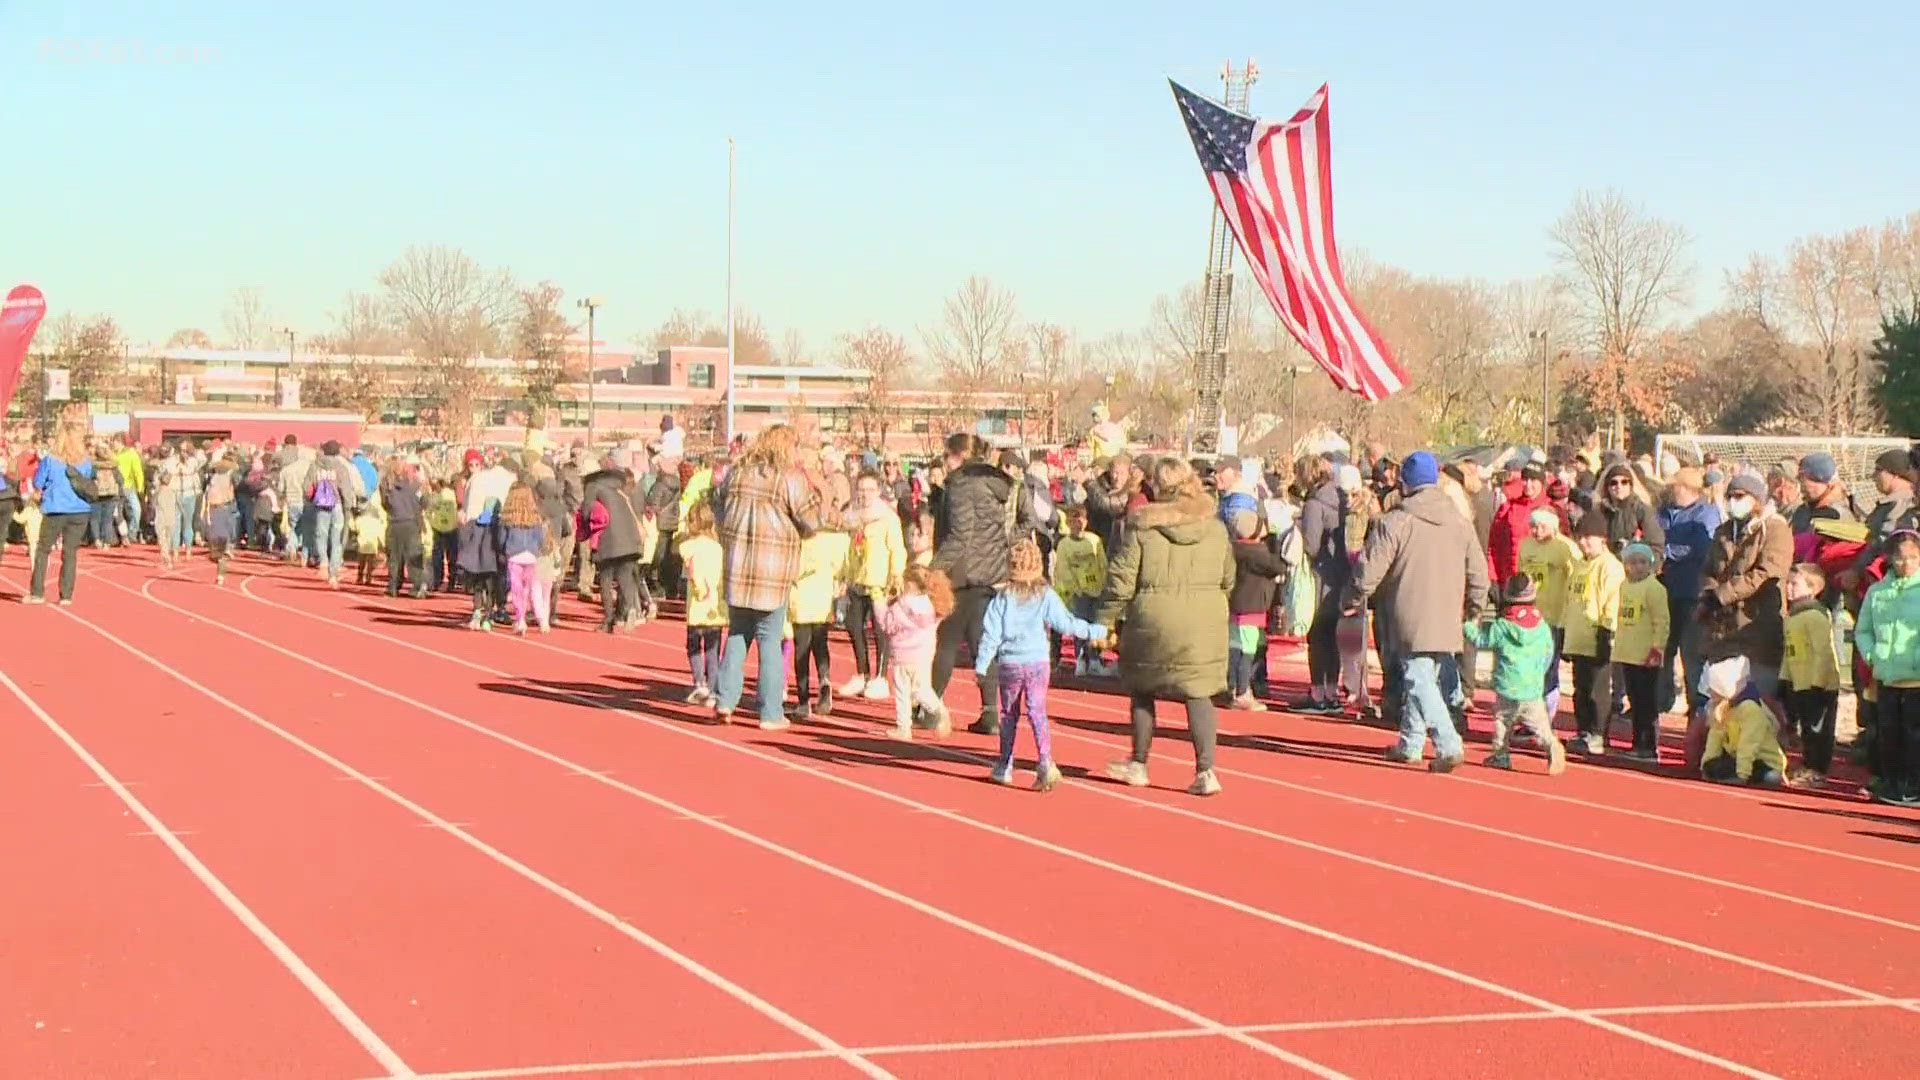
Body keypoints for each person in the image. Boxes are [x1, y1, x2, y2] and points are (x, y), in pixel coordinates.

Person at [1095, 457, 1236, 796]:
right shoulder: (1215, 529)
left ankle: (1139, 763)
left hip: (1153, 620)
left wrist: (1104, 619)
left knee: (1143, 689)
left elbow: (1121, 581)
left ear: (1157, 487)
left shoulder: (1142, 528)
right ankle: (1206, 770)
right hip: (1204, 622)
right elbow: (1228, 577)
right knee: (1198, 693)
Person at [1350, 450, 1490, 773]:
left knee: (1418, 678)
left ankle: (1448, 742)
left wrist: (1354, 596)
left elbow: (1369, 569)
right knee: (1425, 677)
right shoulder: (1460, 521)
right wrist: (1475, 608)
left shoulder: (1396, 521)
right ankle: (1410, 741)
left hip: (1409, 613)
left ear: (1405, 483)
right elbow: (1479, 572)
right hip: (1447, 614)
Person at [711, 424, 822, 729]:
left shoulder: (737, 472)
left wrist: (727, 531)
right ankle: (770, 712)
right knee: (769, 640)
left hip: (738, 565)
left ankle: (725, 700)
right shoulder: (789, 477)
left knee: (737, 634)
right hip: (772, 571)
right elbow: (812, 520)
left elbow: (715, 501)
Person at [974, 539, 1105, 791]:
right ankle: (1045, 761)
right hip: (1037, 662)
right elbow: (1067, 624)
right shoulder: (1045, 595)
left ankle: (1004, 765)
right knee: (1037, 710)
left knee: (1009, 715)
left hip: (1010, 663)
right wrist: (1095, 631)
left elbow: (990, 634)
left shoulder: (1002, 598)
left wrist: (981, 666)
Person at [930, 433, 1031, 735]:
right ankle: (990, 712)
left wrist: (933, 570)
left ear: (959, 455)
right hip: (991, 571)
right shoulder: (994, 484)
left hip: (964, 574)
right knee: (982, 645)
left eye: (947, 455)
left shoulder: (963, 484)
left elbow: (959, 535)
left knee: (947, 642)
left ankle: (930, 707)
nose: (944, 462)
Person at [1462, 575, 1567, 774]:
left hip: (1508, 684)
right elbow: (1548, 653)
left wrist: (1469, 626)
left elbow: (1482, 641)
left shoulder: (1503, 625)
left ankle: (1501, 755)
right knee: (1539, 724)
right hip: (1532, 686)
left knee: (1503, 721)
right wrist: (1539, 674)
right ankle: (1551, 744)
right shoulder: (1542, 626)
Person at [1854, 529, 1920, 805]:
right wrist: (1873, 656)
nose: (1907, 564)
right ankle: (1892, 784)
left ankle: (1914, 785)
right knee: (1888, 734)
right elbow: (1863, 630)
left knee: (1914, 736)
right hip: (1887, 677)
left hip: (1916, 679)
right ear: (1890, 559)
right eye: (1901, 558)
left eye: (1913, 558)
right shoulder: (1877, 592)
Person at [840, 470, 907, 700]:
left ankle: (880, 678)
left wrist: (896, 575)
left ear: (878, 491)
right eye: (861, 490)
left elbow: (897, 548)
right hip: (857, 580)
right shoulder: (852, 516)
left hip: (880, 581)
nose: (865, 495)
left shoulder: (887, 518)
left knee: (880, 630)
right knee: (853, 625)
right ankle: (862, 673)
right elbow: (848, 549)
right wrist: (844, 575)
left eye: (869, 490)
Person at [1563, 518, 1625, 756]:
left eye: (1589, 537)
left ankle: (1598, 733)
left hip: (1597, 635)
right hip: (1578, 636)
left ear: (1602, 539)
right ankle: (1583, 729)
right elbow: (1572, 600)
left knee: (1597, 690)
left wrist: (1606, 631)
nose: (1583, 542)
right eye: (1580, 537)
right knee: (1580, 688)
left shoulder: (1609, 566)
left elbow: (1612, 599)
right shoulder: (1580, 565)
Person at [1294, 453, 1350, 714]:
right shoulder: (1340, 498)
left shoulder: (1315, 504)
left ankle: (1318, 692)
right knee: (1331, 636)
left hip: (1320, 576)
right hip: (1341, 573)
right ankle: (1331, 690)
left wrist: (1298, 529)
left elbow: (1312, 545)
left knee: (1317, 635)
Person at [875, 564, 954, 741]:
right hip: (924, 655)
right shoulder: (933, 606)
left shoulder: (900, 607)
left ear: (909, 584)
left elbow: (888, 626)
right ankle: (939, 710)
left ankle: (904, 727)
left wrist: (879, 604)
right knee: (922, 690)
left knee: (902, 691)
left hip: (903, 655)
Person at [1779, 562, 1841, 786]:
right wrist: (1784, 678)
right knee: (1806, 729)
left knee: (1818, 730)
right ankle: (1807, 764)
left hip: (1819, 686)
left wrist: (1817, 683)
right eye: (1787, 583)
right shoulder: (1792, 617)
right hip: (1799, 683)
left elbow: (1822, 652)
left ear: (1813, 588)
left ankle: (1817, 769)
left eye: (1795, 584)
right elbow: (1790, 652)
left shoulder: (1815, 616)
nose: (1789, 588)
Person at [24, 428, 95, 605]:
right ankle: (66, 595)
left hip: (55, 508)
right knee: (70, 553)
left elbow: (38, 482)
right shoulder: (85, 461)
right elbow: (88, 481)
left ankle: (37, 592)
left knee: (43, 549)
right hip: (79, 510)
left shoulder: (50, 460)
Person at [787, 522, 850, 720]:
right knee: (820, 644)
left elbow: (795, 569)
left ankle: (803, 701)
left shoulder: (799, 542)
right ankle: (824, 677)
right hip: (822, 600)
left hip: (802, 601)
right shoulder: (828, 539)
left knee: (801, 651)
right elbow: (840, 565)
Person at [1613, 543, 1670, 761]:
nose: (1638, 567)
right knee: (1635, 700)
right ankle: (1637, 743)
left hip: (1646, 655)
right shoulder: (1624, 586)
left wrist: (1657, 647)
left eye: (1643, 562)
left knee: (1647, 701)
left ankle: (1649, 745)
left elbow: (1661, 621)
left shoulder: (1654, 589)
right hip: (1628, 652)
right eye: (1633, 563)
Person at [1226, 510, 1286, 711]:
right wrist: (1275, 543)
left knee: (1235, 648)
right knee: (1248, 651)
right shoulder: (1257, 553)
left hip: (1235, 606)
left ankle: (1233, 686)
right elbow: (1277, 566)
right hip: (1252, 607)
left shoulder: (1234, 549)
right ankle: (1243, 691)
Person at [1699, 656, 1787, 786]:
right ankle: (1740, 772)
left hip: (1763, 761)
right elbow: (1714, 739)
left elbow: (1749, 744)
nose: (1710, 693)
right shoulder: (1721, 709)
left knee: (1769, 776)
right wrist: (1705, 767)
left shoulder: (1750, 709)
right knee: (1713, 766)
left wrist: (1742, 774)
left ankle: (1761, 775)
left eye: (1713, 690)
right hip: (1738, 758)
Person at [678, 498, 727, 705]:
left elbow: (693, 570)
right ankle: (714, 688)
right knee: (713, 650)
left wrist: (699, 589)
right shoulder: (718, 548)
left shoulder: (687, 547)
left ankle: (700, 682)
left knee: (694, 646)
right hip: (715, 606)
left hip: (698, 604)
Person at [1050, 504, 1109, 674]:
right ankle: (1081, 658)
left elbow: (1102, 564)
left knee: (1096, 625)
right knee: (1081, 625)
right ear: (1068, 522)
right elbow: (1064, 570)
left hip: (1096, 591)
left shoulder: (1094, 540)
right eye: (1073, 520)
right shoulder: (1064, 545)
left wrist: (1103, 584)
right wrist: (1076, 589)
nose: (1077, 523)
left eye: (1081, 519)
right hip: (1078, 593)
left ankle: (1096, 659)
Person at [304, 440, 360, 587]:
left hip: (321, 505)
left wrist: (311, 498)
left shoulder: (315, 466)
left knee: (321, 534)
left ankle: (323, 561)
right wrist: (348, 506)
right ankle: (333, 571)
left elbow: (306, 487)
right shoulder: (341, 467)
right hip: (337, 505)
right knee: (337, 539)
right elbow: (346, 489)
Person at [498, 482, 551, 635]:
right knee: (529, 588)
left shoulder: (508, 518)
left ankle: (520, 619)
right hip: (531, 555)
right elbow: (540, 537)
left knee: (516, 588)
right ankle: (534, 618)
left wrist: (502, 550)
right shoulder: (534, 518)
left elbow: (502, 538)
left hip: (514, 554)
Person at [202, 454, 242, 586]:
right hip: (215, 508)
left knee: (222, 540)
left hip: (224, 508)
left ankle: (221, 570)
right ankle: (221, 555)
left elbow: (237, 487)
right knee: (215, 546)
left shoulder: (230, 475)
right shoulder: (213, 477)